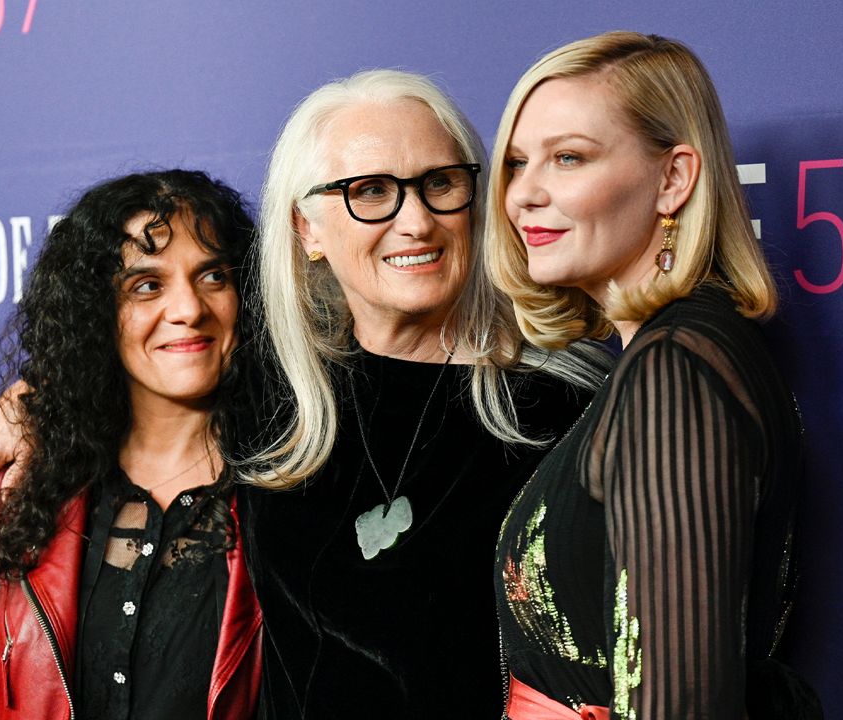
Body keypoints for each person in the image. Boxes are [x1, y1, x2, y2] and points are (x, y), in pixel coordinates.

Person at [238, 69, 609, 718]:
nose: (417, 221)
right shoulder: (275, 401)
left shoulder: (562, 411)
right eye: (372, 191)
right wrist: (25, 412)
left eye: (440, 183)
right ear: (307, 230)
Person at [486, 32, 821, 718]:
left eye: (568, 158)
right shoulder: (666, 357)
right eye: (518, 163)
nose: (523, 195)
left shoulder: (678, 373)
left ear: (674, 179)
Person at [0, 170, 262, 720]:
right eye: (147, 285)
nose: (187, 308)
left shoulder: (296, 493)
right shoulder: (22, 498)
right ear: (95, 313)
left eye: (213, 276)